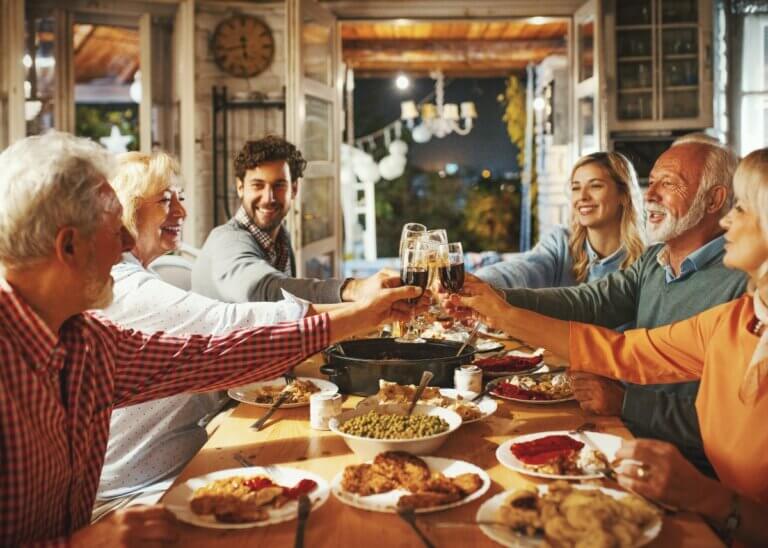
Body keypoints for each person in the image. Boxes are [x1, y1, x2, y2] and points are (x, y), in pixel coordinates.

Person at [0, 131, 421, 546]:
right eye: (115, 228)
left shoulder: (84, 341)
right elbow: (232, 322)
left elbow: (209, 357)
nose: (127, 243)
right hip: (121, 502)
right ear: (69, 246)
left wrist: (357, 317)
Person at [452, 147, 768, 546]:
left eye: (742, 209)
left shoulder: (733, 292)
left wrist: (627, 404)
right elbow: (620, 347)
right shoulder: (738, 317)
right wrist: (496, 304)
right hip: (666, 473)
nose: (728, 221)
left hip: (696, 484)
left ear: (714, 199)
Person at [97, 150, 349, 503]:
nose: (182, 212)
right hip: (139, 492)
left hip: (187, 458)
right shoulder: (129, 288)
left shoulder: (137, 275)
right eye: (166, 201)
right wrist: (361, 306)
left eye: (179, 199)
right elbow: (238, 316)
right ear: (127, 208)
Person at [193, 136, 392, 304]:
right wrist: (352, 289)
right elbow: (262, 289)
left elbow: (285, 310)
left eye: (279, 185)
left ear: (294, 189)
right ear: (240, 188)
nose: (269, 198)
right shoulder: (226, 240)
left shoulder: (281, 237)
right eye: (257, 185)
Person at [475, 151, 645, 289]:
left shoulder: (647, 260)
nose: (582, 197)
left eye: (595, 186)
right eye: (576, 188)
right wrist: (478, 282)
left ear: (623, 195)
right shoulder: (561, 242)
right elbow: (524, 269)